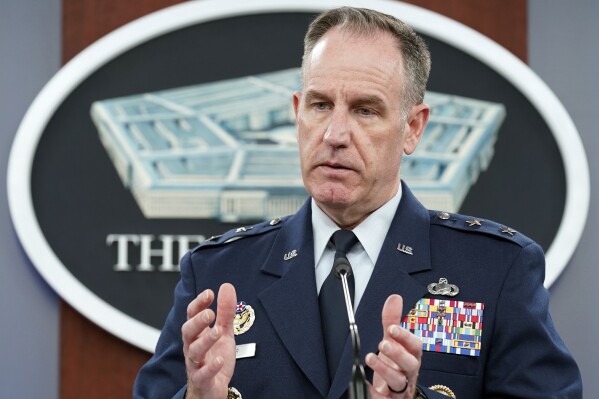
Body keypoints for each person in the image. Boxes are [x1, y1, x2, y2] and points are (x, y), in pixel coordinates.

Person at [134, 6, 582, 399]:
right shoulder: (217, 273)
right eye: (320, 105)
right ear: (296, 113)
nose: (335, 135)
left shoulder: (495, 270)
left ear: (413, 128)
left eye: (366, 110)